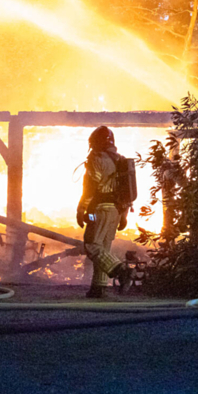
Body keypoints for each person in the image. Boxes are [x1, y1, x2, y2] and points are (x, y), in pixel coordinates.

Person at [75, 126, 138, 298]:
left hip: (98, 211)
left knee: (91, 244)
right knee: (103, 247)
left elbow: (90, 188)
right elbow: (126, 192)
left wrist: (82, 209)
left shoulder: (97, 159)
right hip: (116, 212)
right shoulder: (121, 160)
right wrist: (124, 215)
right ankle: (99, 287)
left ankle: (121, 271)